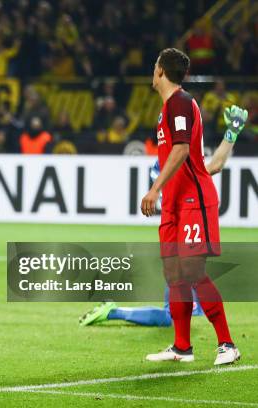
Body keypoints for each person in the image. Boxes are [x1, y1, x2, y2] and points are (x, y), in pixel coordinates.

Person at [79, 104, 248, 327]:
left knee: (192, 306)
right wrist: (231, 134)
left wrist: (231, 133)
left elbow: (215, 165)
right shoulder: (165, 168)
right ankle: (113, 312)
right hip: (179, 244)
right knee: (174, 315)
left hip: (184, 238)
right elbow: (212, 167)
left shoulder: (176, 163)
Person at [140, 48, 238, 365]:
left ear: (160, 72)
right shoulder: (167, 109)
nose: (152, 71)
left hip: (194, 202)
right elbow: (201, 162)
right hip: (174, 204)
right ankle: (182, 346)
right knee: (174, 275)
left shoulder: (180, 102)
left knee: (194, 272)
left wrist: (154, 188)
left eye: (154, 66)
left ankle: (227, 345)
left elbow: (181, 149)